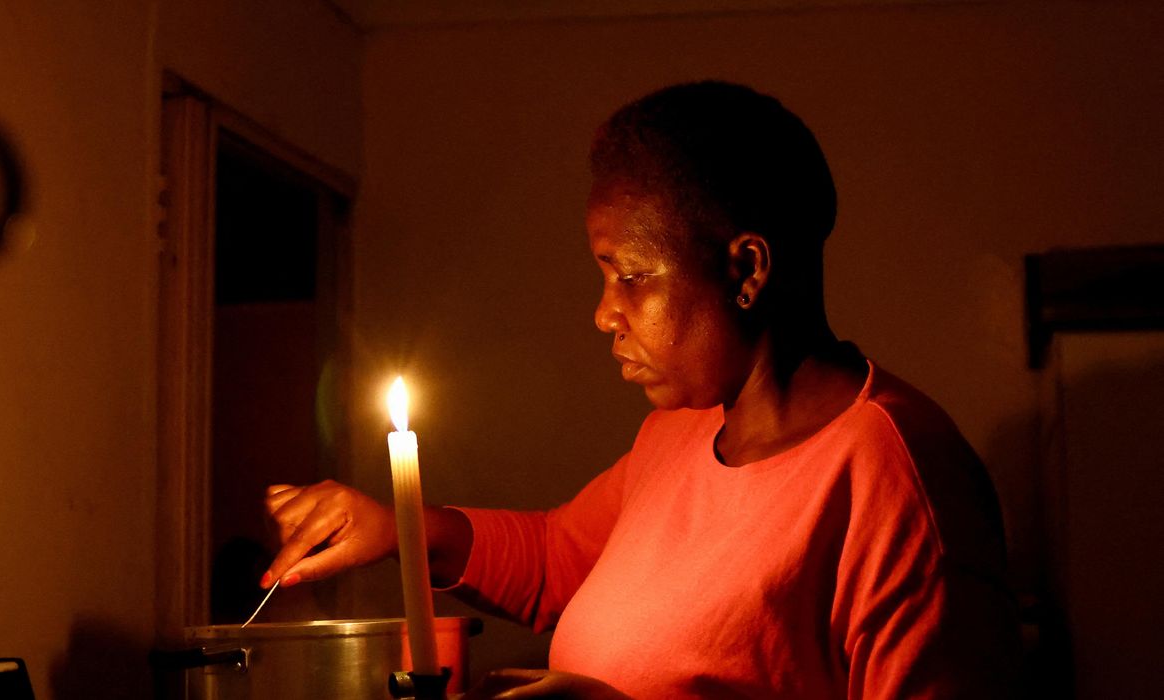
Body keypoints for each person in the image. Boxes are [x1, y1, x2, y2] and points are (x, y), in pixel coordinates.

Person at [260, 81, 1021, 699]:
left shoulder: (894, 474)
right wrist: (398, 526)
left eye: (629, 276)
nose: (603, 314)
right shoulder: (683, 432)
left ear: (746, 270)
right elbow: (562, 559)